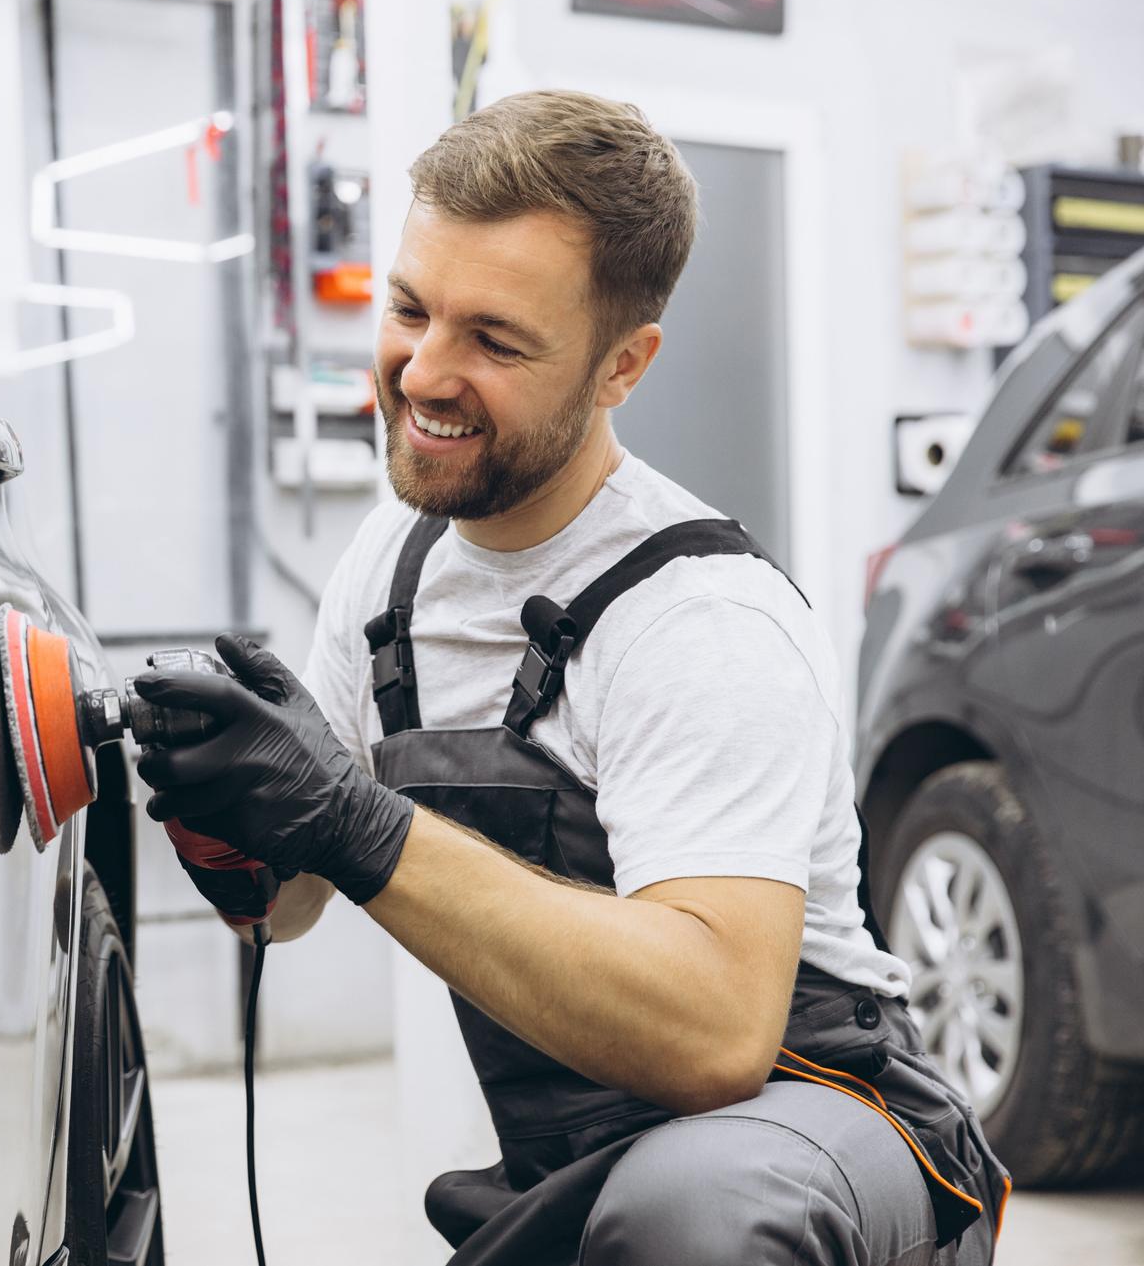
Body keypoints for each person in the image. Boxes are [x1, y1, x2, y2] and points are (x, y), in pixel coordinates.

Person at [138, 91, 1009, 1266]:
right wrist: (230, 807)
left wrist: (352, 818)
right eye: (409, 310)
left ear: (621, 367)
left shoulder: (698, 617)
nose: (424, 374)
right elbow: (282, 911)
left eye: (494, 341)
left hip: (818, 1127)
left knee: (697, 1210)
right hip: (581, 1162)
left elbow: (712, 1035)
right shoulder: (390, 576)